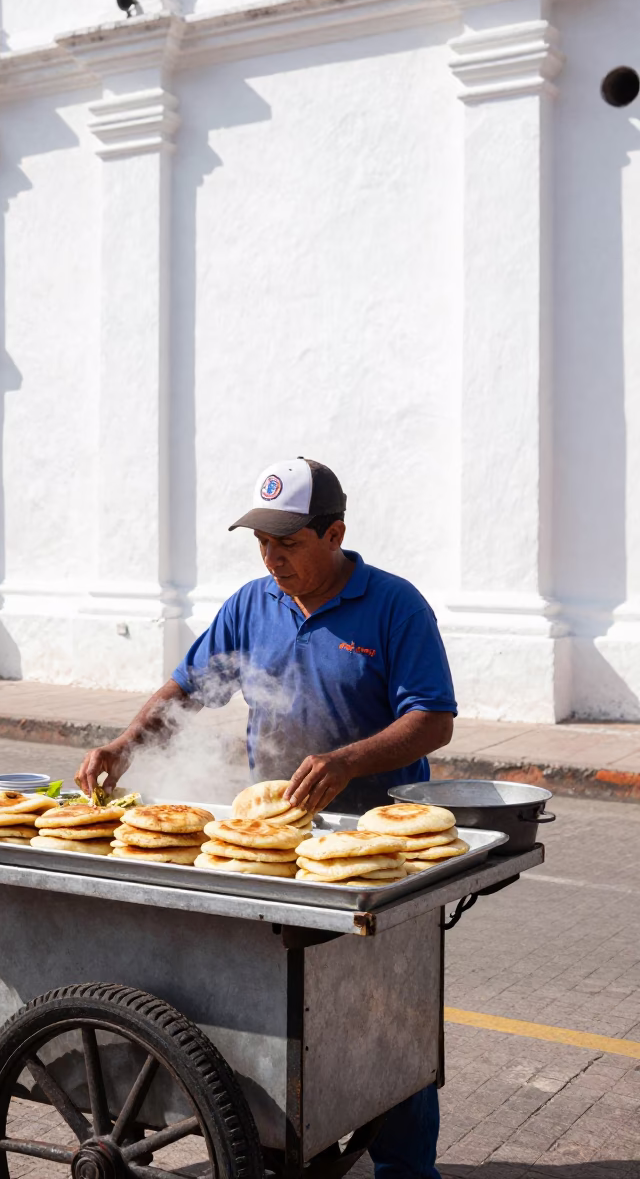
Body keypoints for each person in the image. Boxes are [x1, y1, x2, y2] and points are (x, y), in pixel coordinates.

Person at [76, 457, 457, 1179]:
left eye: (288, 543)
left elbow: (432, 719)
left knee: (392, 1019)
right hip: (274, 850)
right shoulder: (252, 605)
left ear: (335, 532)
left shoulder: (394, 606)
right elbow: (189, 690)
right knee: (284, 1015)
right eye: (261, 544)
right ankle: (289, 1148)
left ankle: (407, 1171)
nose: (272, 559)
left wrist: (348, 761)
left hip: (379, 853)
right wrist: (126, 744)